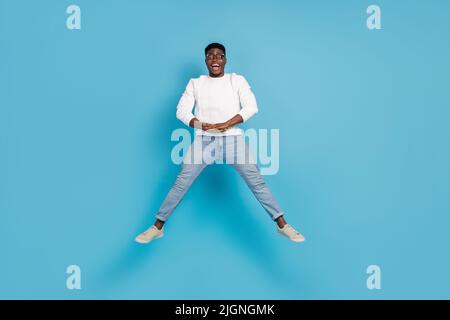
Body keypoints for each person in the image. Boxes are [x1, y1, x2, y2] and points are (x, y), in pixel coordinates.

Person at [135, 43, 305, 244]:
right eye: (210, 56)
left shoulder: (236, 80)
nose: (215, 59)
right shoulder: (195, 83)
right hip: (204, 141)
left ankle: (282, 225)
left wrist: (227, 123)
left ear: (225, 60)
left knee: (256, 181)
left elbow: (252, 106)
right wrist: (200, 124)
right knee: (182, 182)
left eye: (219, 55)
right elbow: (181, 110)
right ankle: (157, 227)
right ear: (206, 61)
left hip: (233, 139)